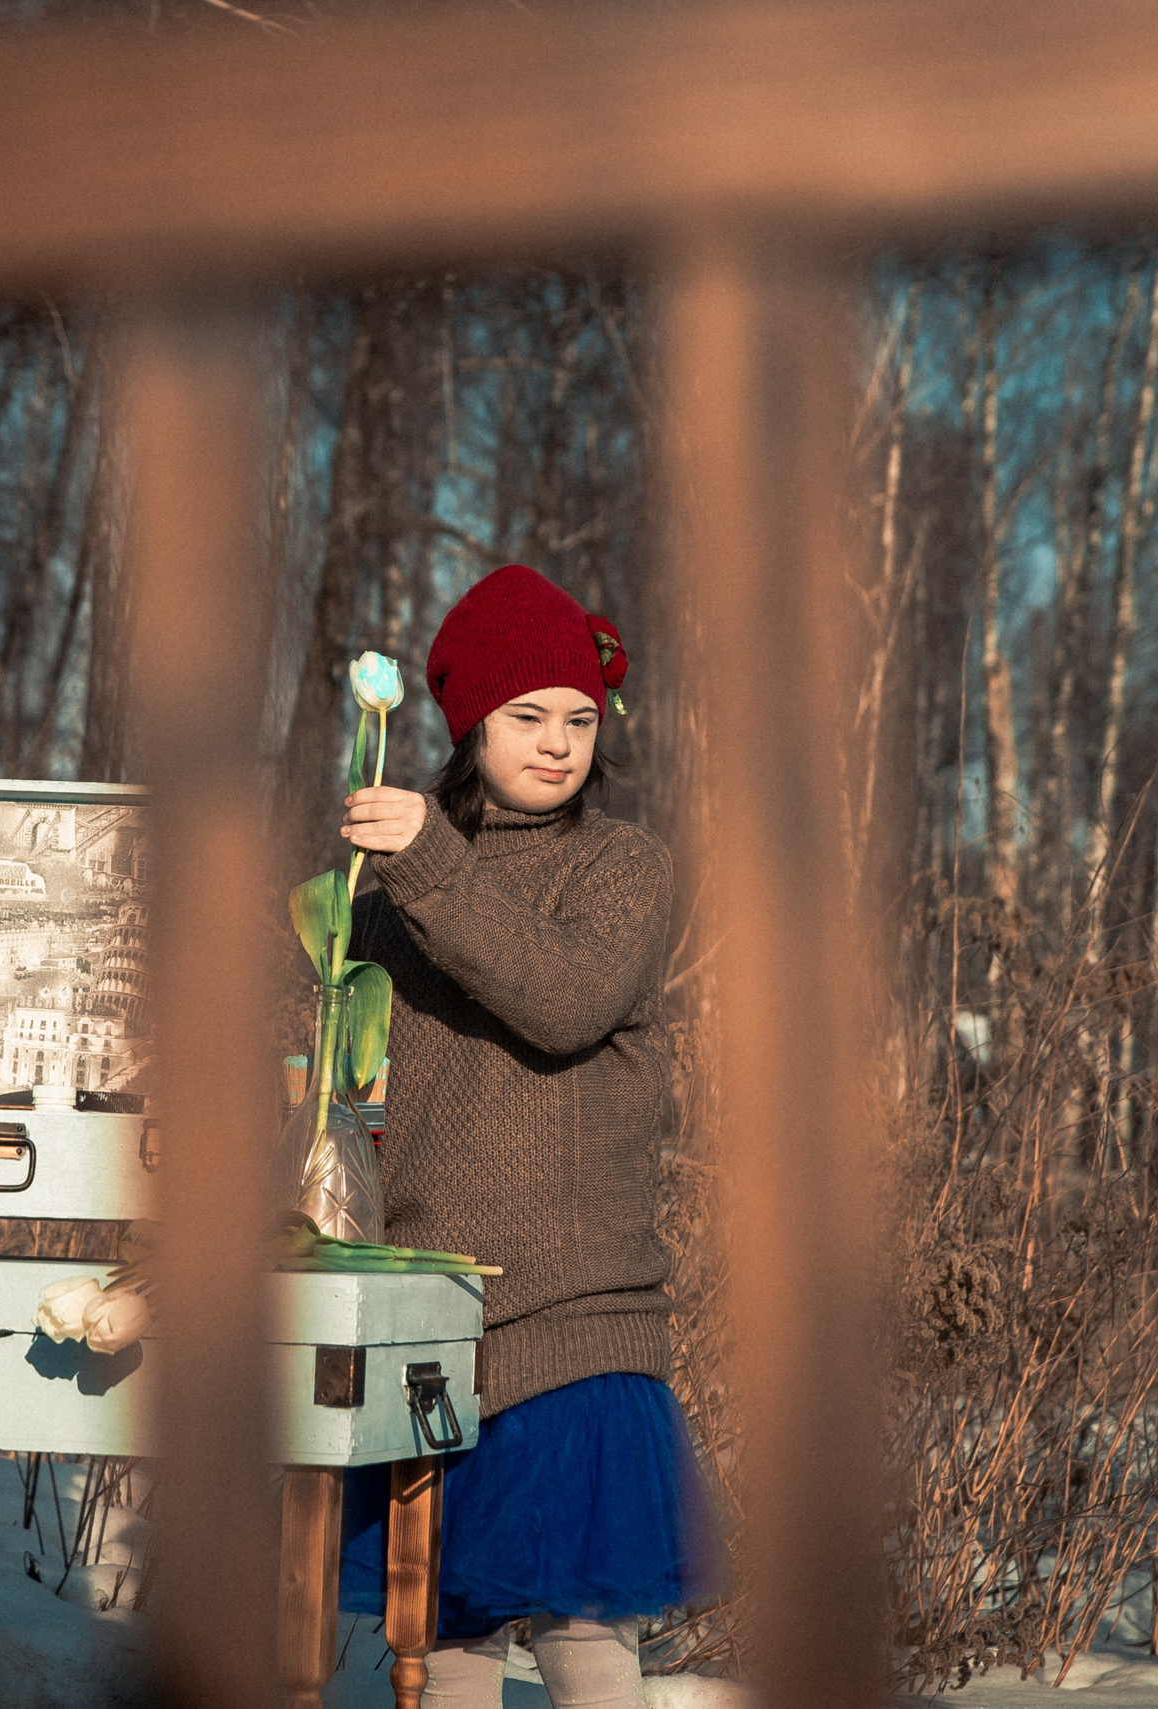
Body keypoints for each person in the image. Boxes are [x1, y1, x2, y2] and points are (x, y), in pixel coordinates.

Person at [334, 563, 720, 1709]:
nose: (557, 743)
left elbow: (564, 998)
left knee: (578, 1626)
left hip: (571, 1313)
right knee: (444, 1627)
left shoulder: (621, 866)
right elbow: (340, 1076)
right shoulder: (391, 884)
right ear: (469, 725)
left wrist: (425, 863)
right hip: (426, 1309)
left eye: (579, 719)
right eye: (526, 716)